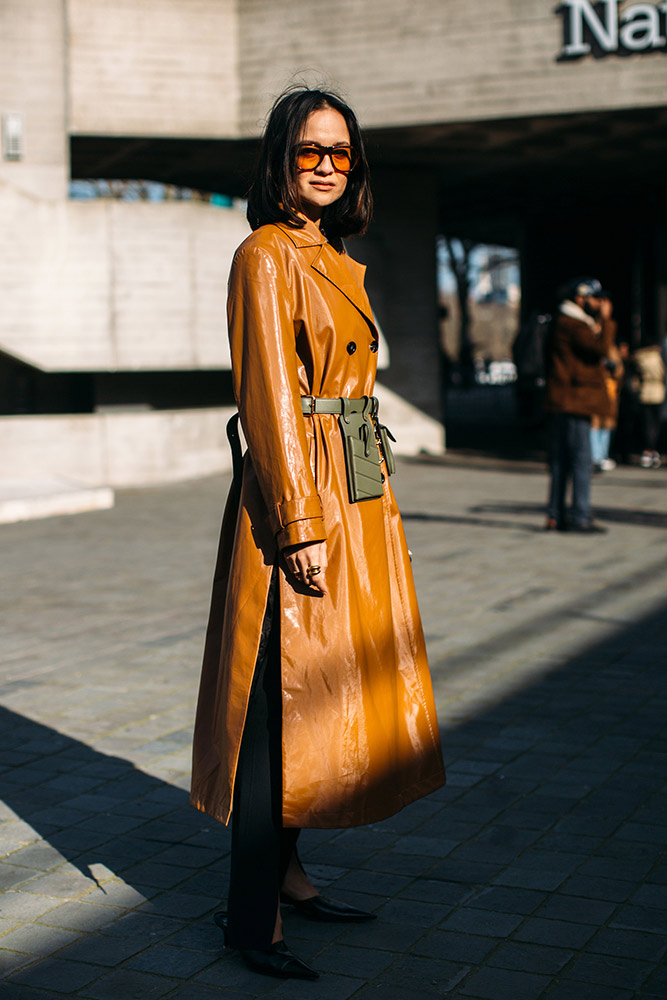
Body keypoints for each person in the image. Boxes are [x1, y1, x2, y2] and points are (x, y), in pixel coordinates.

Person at [190, 88, 446, 982]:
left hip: (354, 490)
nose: (328, 165)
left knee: (319, 701)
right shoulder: (266, 254)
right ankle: (249, 921)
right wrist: (300, 523)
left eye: (342, 152)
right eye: (310, 152)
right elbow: (268, 401)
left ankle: (289, 874)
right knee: (277, 707)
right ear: (279, 159)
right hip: (299, 501)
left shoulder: (330, 252)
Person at [544, 277, 615, 532]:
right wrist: (606, 321)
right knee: (581, 461)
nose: (599, 303)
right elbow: (599, 349)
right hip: (574, 402)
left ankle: (556, 515)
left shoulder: (565, 321)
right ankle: (580, 516)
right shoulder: (573, 324)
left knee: (562, 461)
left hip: (566, 401)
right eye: (595, 299)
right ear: (580, 298)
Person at [590, 338, 623, 472]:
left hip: (609, 391)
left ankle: (602, 455)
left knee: (606, 425)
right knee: (594, 425)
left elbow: (619, 370)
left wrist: (613, 367)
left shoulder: (611, 348)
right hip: (594, 390)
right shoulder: (590, 343)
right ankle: (596, 456)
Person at [632, 342, 666, 468]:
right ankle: (653, 451)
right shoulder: (659, 357)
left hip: (645, 392)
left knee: (646, 423)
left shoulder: (641, 357)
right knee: (656, 424)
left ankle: (647, 450)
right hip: (658, 392)